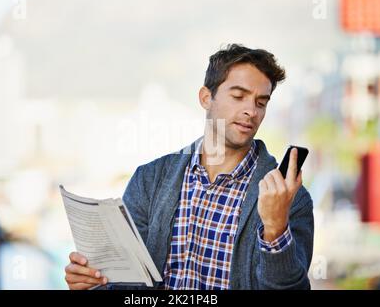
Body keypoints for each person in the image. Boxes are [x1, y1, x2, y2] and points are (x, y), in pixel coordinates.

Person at [65, 44, 314, 290]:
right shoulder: (149, 180)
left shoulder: (290, 199)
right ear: (206, 98)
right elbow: (126, 286)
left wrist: (275, 228)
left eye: (261, 102)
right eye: (238, 96)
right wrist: (93, 283)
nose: (251, 111)